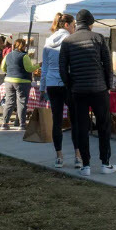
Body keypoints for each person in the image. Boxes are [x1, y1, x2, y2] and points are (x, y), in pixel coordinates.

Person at [60, 9, 116, 176]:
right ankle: (105, 163)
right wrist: (108, 85)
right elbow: (108, 65)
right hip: (99, 89)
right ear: (91, 24)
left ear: (77, 24)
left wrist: (70, 85)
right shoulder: (98, 38)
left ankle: (85, 165)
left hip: (78, 91)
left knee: (81, 127)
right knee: (103, 126)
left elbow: (63, 69)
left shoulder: (68, 41)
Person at [41, 13, 82, 169]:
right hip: (68, 82)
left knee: (56, 120)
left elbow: (44, 67)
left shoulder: (48, 41)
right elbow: (74, 65)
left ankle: (59, 156)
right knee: (75, 120)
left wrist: (42, 87)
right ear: (67, 25)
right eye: (73, 25)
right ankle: (78, 156)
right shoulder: (71, 40)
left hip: (52, 83)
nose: (74, 28)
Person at [0, 37, 37, 131]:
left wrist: (10, 72)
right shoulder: (24, 56)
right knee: (22, 103)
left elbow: (3, 68)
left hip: (8, 81)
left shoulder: (8, 55)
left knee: (9, 102)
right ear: (23, 46)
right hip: (22, 82)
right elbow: (29, 69)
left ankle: (5, 123)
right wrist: (38, 65)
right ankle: (22, 124)